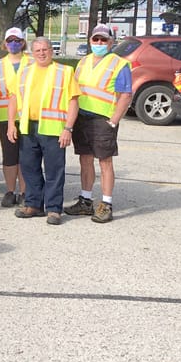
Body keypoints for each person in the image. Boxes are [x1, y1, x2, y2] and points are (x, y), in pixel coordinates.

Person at [7, 37, 81, 225]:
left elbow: (73, 101)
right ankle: (34, 205)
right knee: (29, 168)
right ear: (32, 53)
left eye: (45, 49)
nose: (41, 53)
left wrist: (68, 128)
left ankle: (54, 209)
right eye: (37, 50)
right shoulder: (24, 72)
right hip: (28, 127)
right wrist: (10, 124)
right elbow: (14, 98)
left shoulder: (64, 71)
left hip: (54, 128)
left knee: (54, 170)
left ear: (52, 51)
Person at [64, 24, 133, 223]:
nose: (99, 43)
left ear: (111, 42)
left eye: (104, 40)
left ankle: (106, 204)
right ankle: (85, 201)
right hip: (82, 118)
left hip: (103, 120)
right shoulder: (83, 62)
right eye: (96, 40)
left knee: (105, 162)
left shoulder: (119, 64)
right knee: (85, 159)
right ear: (90, 41)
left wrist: (113, 121)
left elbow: (126, 95)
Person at [0, 27, 33, 207]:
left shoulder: (32, 62)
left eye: (17, 40)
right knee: (9, 155)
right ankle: (10, 191)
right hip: (4, 116)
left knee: (26, 156)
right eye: (10, 41)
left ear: (23, 42)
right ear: (5, 44)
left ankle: (24, 192)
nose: (14, 44)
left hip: (27, 115)